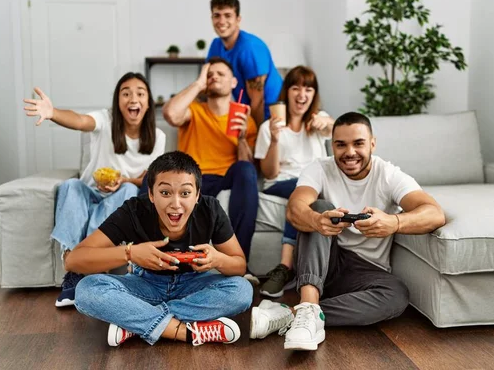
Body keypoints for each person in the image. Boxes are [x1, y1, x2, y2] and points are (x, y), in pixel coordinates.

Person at [248, 112, 446, 350]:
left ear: (372, 143)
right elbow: (295, 208)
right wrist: (317, 220)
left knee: (397, 296)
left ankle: (293, 315)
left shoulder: (389, 174)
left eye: (358, 143)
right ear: (332, 146)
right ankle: (309, 303)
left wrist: (394, 222)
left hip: (365, 272)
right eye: (341, 145)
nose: (350, 152)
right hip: (324, 261)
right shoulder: (319, 168)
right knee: (319, 207)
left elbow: (435, 213)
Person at [69, 151, 252, 347]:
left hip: (192, 288)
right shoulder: (134, 211)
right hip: (145, 285)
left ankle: (135, 323)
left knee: (242, 290)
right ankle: (182, 332)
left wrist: (218, 260)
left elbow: (239, 265)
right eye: (165, 193)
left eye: (185, 193)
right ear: (151, 194)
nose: (176, 204)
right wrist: (130, 253)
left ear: (197, 195)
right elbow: (74, 260)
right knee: (86, 289)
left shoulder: (210, 209)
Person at [23, 72, 166, 307]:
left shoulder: (157, 137)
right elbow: (79, 120)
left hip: (122, 193)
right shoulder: (105, 120)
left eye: (140, 93)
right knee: (70, 185)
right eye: (126, 93)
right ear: (117, 101)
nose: (133, 98)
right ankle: (74, 266)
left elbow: (151, 180)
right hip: (91, 193)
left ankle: (81, 268)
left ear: (148, 102)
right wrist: (53, 113)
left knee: (129, 193)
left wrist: (125, 181)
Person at [163, 57, 259, 282]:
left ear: (234, 82)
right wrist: (198, 83)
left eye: (220, 74)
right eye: (209, 74)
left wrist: (243, 138)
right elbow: (170, 114)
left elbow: (248, 167)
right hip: (193, 177)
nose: (213, 76)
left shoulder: (245, 119)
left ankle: (238, 264)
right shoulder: (194, 111)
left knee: (245, 169)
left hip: (226, 177)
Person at [254, 66, 334, 298]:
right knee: (301, 190)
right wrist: (274, 141)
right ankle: (285, 266)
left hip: (314, 186)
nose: (302, 95)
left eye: (308, 89)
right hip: (282, 183)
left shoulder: (318, 121)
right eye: (296, 88)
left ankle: (311, 274)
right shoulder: (268, 128)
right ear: (286, 92)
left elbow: (340, 129)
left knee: (312, 197)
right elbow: (269, 173)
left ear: (314, 94)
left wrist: (327, 124)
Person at [207, 0, 283, 127]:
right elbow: (208, 85)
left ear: (238, 19)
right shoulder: (215, 46)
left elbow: (258, 100)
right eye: (217, 15)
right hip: (244, 113)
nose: (222, 21)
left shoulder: (250, 48)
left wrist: (254, 138)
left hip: (271, 116)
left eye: (228, 15)